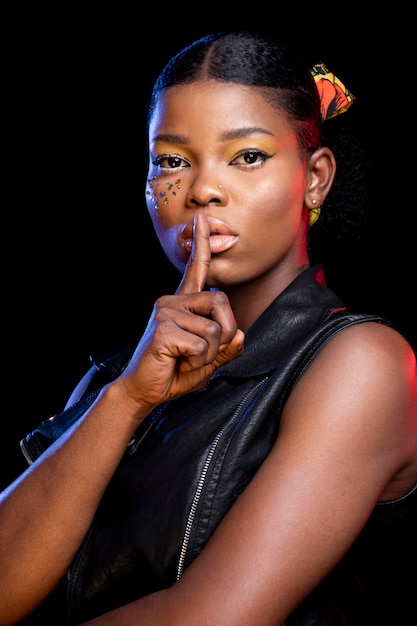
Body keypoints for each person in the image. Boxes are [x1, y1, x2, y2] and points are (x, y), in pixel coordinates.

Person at [1, 30, 416, 626]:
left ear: (316, 177)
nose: (202, 190)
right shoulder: (121, 373)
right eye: (172, 161)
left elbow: (213, 616)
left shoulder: (361, 364)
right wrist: (126, 401)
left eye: (247, 156)